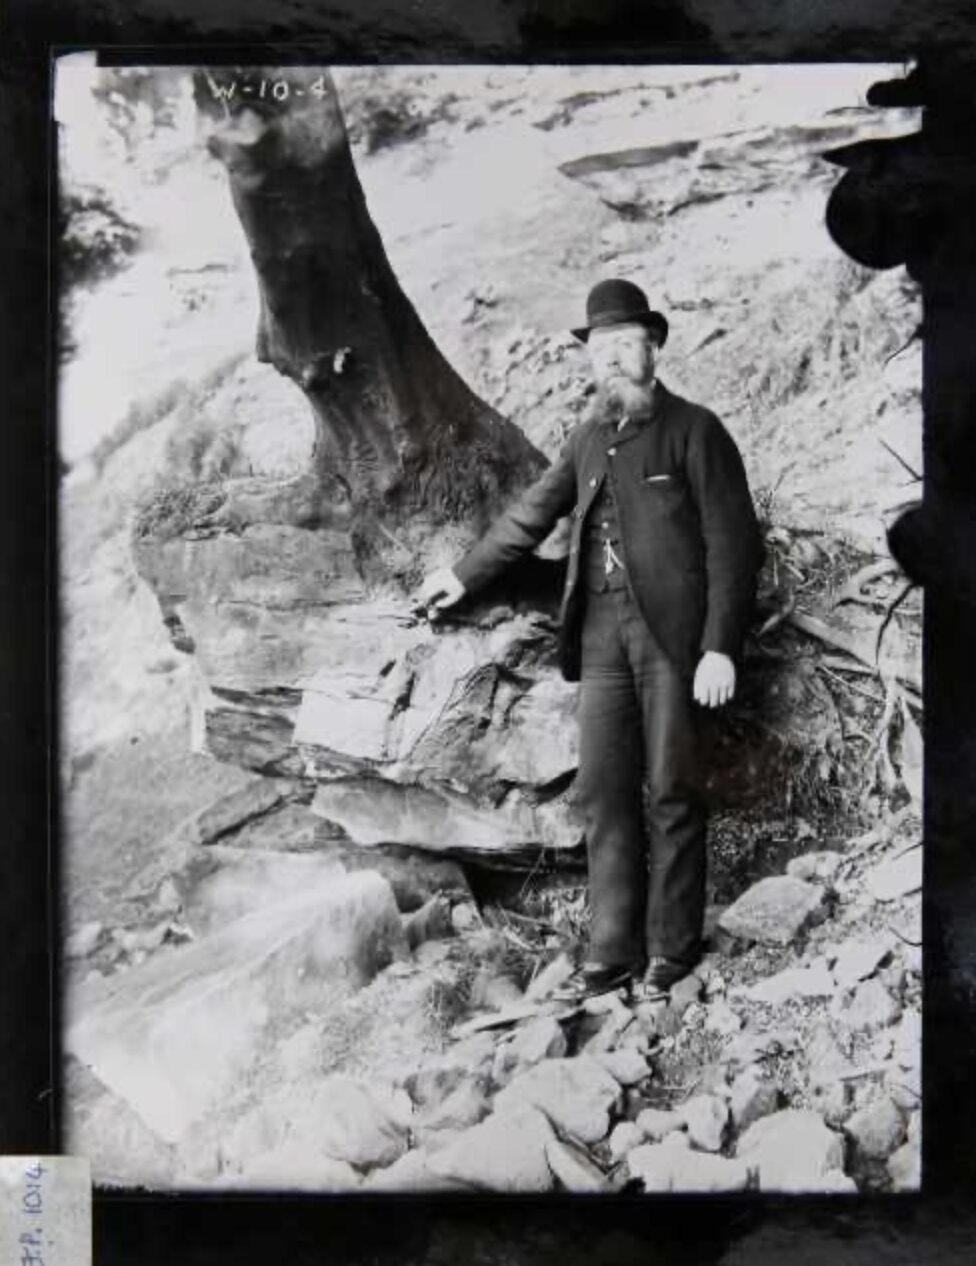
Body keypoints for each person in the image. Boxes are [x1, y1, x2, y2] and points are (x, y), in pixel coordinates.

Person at [417, 278, 763, 999]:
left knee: (672, 790)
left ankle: (673, 949)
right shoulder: (586, 439)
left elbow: (735, 545)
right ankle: (611, 953)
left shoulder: (696, 430)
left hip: (675, 641)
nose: (609, 359)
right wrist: (461, 576)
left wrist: (720, 646)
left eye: (623, 345)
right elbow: (528, 517)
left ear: (653, 347)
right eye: (597, 349)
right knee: (603, 794)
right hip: (602, 641)